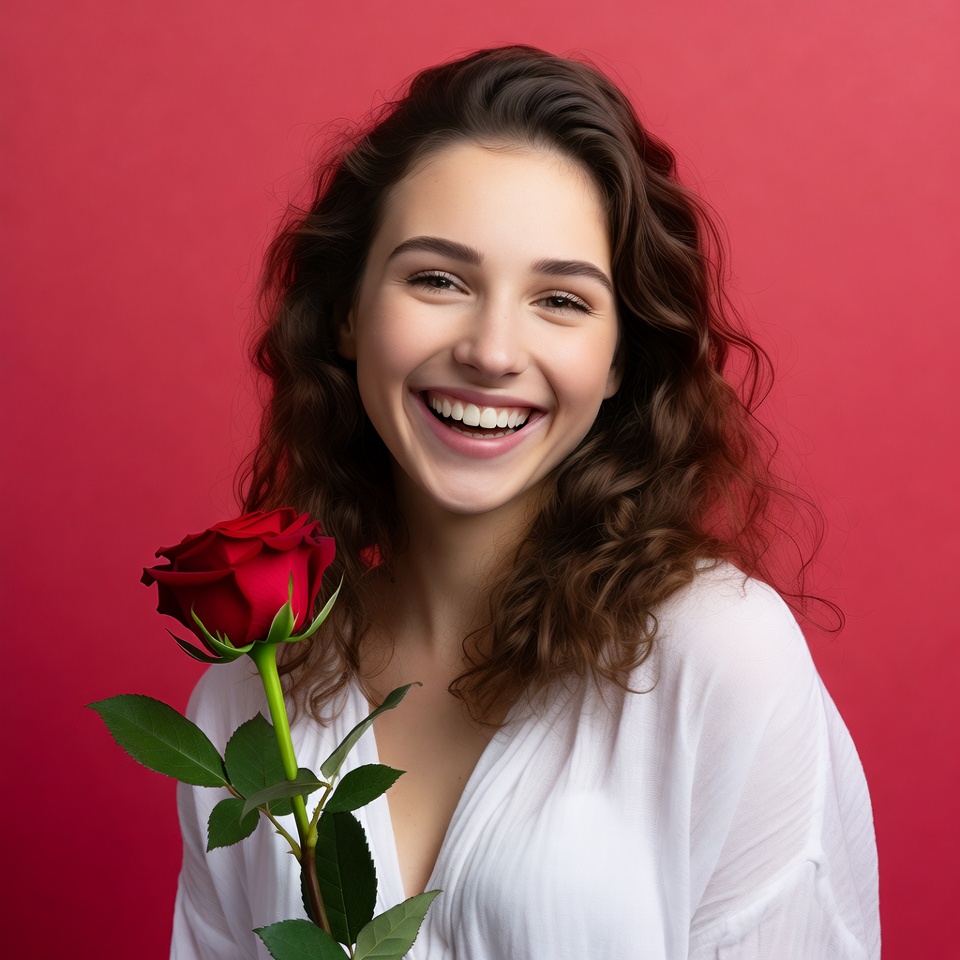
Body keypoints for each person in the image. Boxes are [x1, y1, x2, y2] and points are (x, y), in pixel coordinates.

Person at [171, 45, 879, 959]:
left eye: (560, 300)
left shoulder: (721, 659)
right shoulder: (244, 702)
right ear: (347, 314)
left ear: (620, 357)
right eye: (438, 280)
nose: (494, 350)